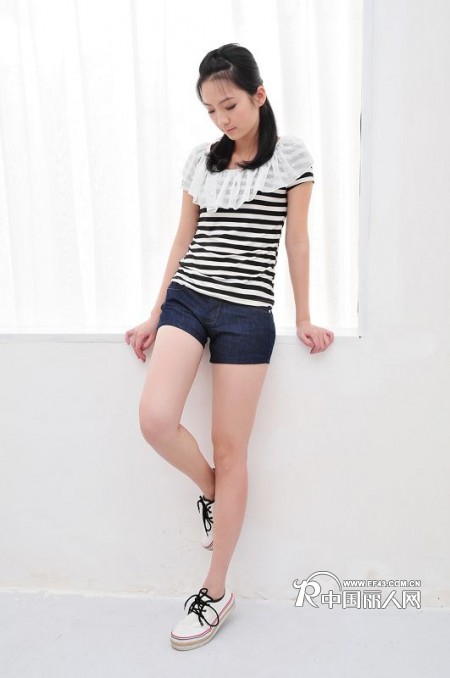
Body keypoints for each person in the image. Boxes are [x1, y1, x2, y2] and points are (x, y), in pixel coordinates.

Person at [124, 43, 334, 651]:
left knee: (231, 448)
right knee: (155, 418)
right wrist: (155, 312)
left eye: (231, 105)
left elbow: (297, 240)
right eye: (211, 110)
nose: (222, 119)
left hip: (246, 314)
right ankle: (214, 493)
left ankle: (214, 592)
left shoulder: (291, 158)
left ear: (259, 95)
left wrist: (305, 316)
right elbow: (182, 239)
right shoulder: (201, 161)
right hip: (189, 298)